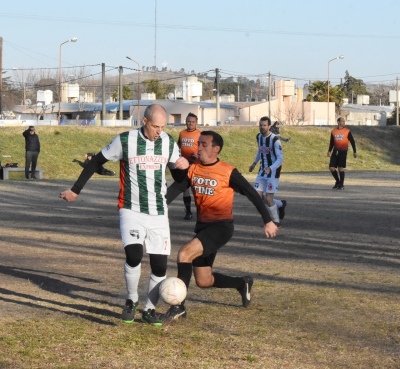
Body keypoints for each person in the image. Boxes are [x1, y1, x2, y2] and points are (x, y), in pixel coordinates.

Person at [60, 104, 189, 326]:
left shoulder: (167, 142)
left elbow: (179, 179)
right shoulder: (125, 140)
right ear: (145, 121)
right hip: (131, 208)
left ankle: (149, 310)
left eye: (163, 126)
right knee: (134, 255)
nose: (160, 131)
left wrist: (182, 167)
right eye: (156, 126)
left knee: (159, 266)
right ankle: (131, 300)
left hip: (158, 212)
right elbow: (97, 161)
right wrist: (75, 189)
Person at [163, 131, 279, 321]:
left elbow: (251, 194)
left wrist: (268, 220)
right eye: (198, 143)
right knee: (204, 280)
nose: (198, 147)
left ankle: (179, 307)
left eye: (204, 144)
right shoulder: (193, 169)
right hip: (202, 227)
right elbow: (174, 191)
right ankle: (242, 284)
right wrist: (156, 209)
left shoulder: (227, 171)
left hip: (221, 227)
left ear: (216, 149)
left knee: (184, 254)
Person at [248, 116, 287, 223]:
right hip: (262, 170)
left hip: (273, 172)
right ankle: (280, 204)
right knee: (258, 198)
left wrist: (271, 168)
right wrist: (254, 163)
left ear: (269, 126)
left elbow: (280, 159)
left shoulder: (275, 140)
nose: (262, 127)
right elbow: (260, 151)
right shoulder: (259, 137)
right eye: (260, 125)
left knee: (269, 199)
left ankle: (276, 222)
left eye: (264, 125)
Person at [177, 112, 201, 220]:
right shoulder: (182, 133)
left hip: (196, 165)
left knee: (196, 189)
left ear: (196, 123)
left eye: (193, 122)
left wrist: (198, 154)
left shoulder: (200, 134)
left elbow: (205, 149)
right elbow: (178, 146)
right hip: (184, 166)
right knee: (185, 189)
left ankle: (201, 212)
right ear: (185, 122)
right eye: (188, 122)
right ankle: (188, 211)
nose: (190, 124)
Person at [327, 117, 357, 190]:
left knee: (340, 168)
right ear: (338, 122)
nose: (344, 122)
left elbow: (352, 141)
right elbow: (332, 143)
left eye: (344, 121)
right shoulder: (333, 131)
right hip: (335, 151)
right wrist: (329, 151)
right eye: (342, 121)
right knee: (331, 167)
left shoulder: (347, 131)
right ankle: (338, 181)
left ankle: (341, 184)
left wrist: (354, 151)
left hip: (343, 151)